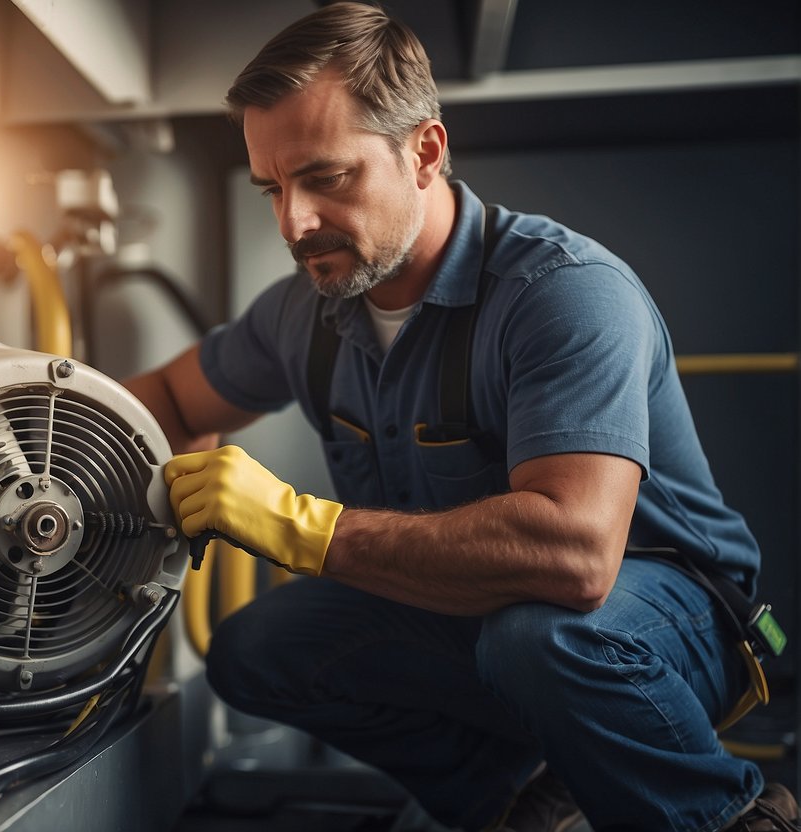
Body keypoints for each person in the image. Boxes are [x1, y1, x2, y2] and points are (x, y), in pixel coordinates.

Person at [125, 3, 798, 831]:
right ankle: (523, 800)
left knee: (541, 637)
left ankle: (728, 818)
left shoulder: (562, 292)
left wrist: (301, 528)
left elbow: (575, 558)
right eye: (272, 188)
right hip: (489, 618)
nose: (293, 224)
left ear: (424, 152)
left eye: (326, 178)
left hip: (668, 625)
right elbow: (165, 401)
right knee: (256, 653)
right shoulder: (303, 313)